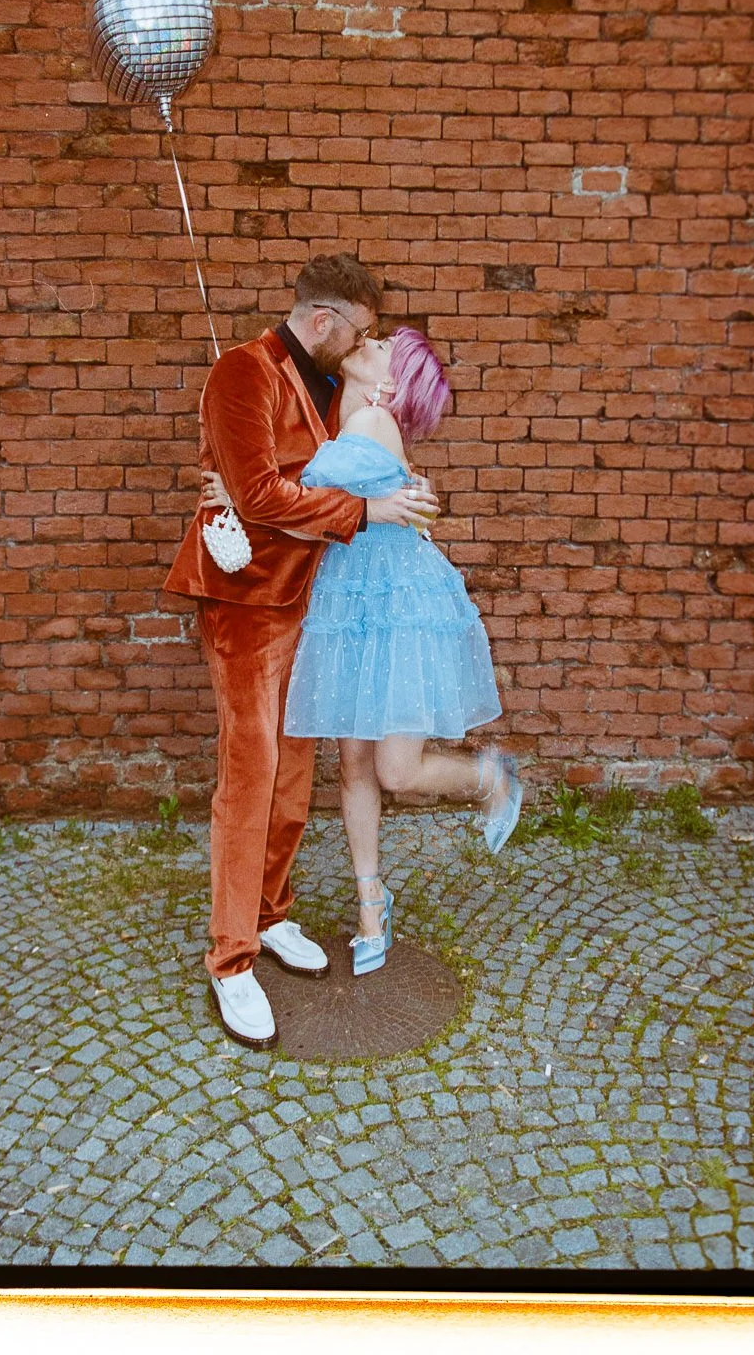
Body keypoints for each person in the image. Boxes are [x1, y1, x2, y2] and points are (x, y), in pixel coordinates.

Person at [164, 255, 439, 1049]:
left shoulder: (326, 380)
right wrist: (364, 508)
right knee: (249, 779)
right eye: (359, 329)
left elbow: (338, 471)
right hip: (247, 605)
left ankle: (269, 913)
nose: (367, 341)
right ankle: (230, 959)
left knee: (291, 769)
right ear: (323, 321)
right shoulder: (241, 375)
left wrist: (391, 499)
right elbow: (258, 496)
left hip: (308, 601)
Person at [203, 326, 522, 979]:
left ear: (390, 384)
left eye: (381, 346)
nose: (367, 339)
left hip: (398, 608)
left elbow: (295, 501)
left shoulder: (372, 422)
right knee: (351, 766)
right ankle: (371, 907)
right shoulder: (334, 418)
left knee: (394, 771)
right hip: (347, 604)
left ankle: (488, 776)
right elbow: (301, 498)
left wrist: (241, 494)